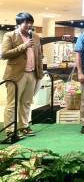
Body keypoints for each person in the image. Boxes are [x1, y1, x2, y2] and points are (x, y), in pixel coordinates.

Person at [2, 12, 43, 140]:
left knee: (26, 103)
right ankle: (10, 130)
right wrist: (23, 46)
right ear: (19, 23)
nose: (29, 25)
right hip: (16, 75)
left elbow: (39, 56)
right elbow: (5, 54)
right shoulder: (9, 35)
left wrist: (39, 74)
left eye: (31, 22)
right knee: (12, 104)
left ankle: (24, 126)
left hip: (32, 73)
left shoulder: (35, 37)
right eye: (26, 22)